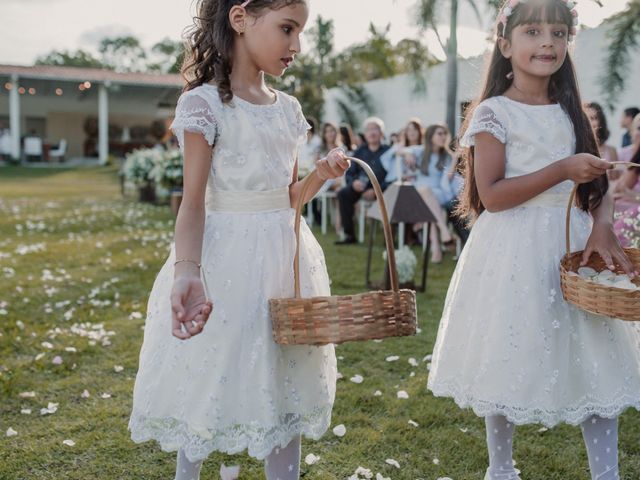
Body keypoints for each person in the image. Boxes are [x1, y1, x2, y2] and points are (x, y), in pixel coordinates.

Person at [128, 2, 349, 480]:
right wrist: (188, 270)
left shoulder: (288, 109)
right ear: (241, 18)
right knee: (209, 371)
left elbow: (289, 198)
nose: (296, 45)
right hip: (225, 255)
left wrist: (321, 175)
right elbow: (192, 202)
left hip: (284, 255)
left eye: (300, 32)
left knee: (284, 373)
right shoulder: (204, 104)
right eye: (287, 29)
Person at [426, 2, 640, 480]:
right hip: (512, 250)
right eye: (534, 31)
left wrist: (603, 224)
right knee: (508, 348)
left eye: (560, 33)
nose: (548, 42)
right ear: (505, 45)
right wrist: (562, 170)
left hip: (572, 245)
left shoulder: (574, 114)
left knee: (597, 354)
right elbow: (494, 196)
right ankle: (502, 467)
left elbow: (598, 186)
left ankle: (606, 473)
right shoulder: (492, 112)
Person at [336, 117, 390, 245]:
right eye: (369, 130)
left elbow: (391, 178)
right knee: (343, 194)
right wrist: (353, 182)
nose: (372, 133)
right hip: (360, 186)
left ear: (381, 133)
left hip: (381, 190)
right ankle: (349, 235)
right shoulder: (359, 151)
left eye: (375, 129)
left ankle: (388, 238)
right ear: (365, 134)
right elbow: (350, 172)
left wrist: (377, 189)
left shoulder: (388, 151)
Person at [613, 113, 640, 247]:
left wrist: (635, 196)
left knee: (634, 212)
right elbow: (621, 187)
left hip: (636, 206)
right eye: (639, 128)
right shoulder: (635, 157)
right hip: (630, 203)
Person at [585, 102, 619, 180]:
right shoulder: (577, 148)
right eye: (587, 118)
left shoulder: (611, 151)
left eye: (594, 118)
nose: (590, 122)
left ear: (601, 121)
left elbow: (615, 180)